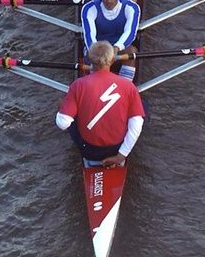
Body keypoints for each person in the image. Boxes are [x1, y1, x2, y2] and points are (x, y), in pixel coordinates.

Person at [55, 39, 145, 167]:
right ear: (112, 60)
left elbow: (62, 124)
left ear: (90, 60)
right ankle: (121, 157)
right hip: (117, 148)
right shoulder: (129, 86)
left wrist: (64, 107)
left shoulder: (78, 85)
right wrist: (121, 155)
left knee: (62, 104)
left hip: (89, 151)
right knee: (143, 107)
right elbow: (137, 124)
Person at [81, 0, 141, 82]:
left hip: (118, 48)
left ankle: (124, 85)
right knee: (91, 54)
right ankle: (96, 83)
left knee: (132, 51)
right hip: (97, 48)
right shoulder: (89, 8)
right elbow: (89, 35)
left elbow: (130, 32)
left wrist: (116, 49)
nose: (109, 1)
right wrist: (100, 53)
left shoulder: (131, 7)